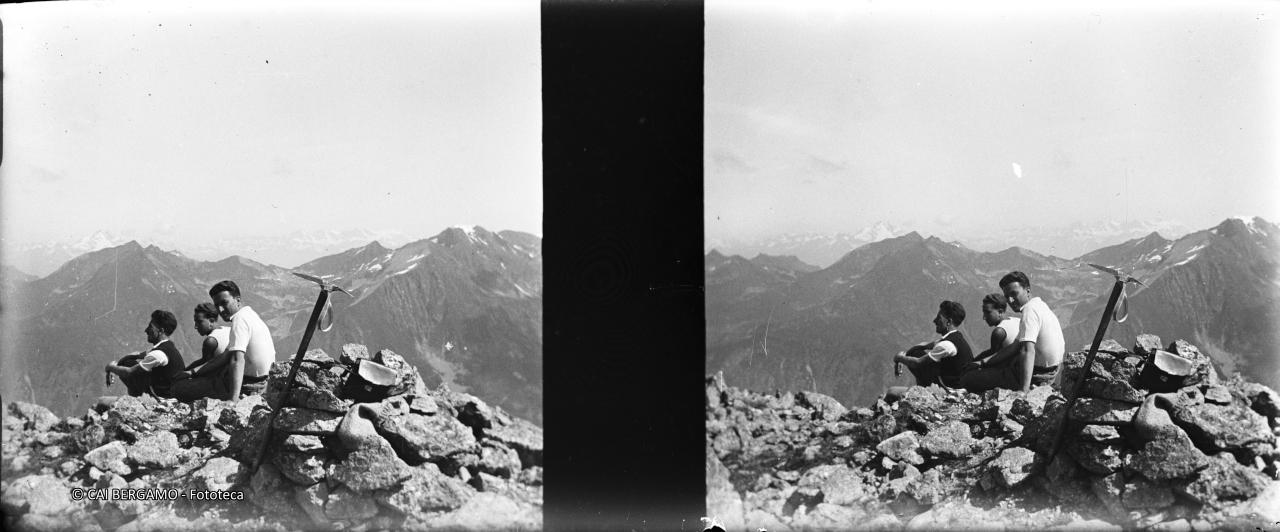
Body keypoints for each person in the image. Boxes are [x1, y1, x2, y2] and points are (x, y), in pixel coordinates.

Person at [960, 271, 1065, 392]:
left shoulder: (1029, 312)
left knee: (969, 378)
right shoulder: (1040, 306)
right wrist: (982, 362)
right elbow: (1015, 346)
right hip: (1051, 371)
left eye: (1014, 294)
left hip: (1038, 375)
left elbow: (1027, 350)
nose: (1010, 300)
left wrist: (1023, 390)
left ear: (1028, 291)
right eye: (1007, 296)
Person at [173, 280, 275, 401]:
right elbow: (226, 355)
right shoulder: (250, 315)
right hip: (265, 382)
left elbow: (237, 360)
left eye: (224, 303)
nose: (220, 310)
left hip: (250, 385)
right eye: (217, 305)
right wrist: (192, 372)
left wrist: (233, 400)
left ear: (237, 300)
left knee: (178, 388)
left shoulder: (239, 320)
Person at [891, 301, 974, 388]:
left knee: (892, 392)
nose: (934, 321)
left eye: (939, 318)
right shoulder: (955, 337)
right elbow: (924, 345)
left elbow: (918, 363)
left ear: (948, 322)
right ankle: (922, 387)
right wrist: (905, 355)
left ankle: (922, 389)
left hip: (951, 389)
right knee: (915, 352)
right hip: (956, 382)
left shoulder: (946, 345)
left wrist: (899, 358)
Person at [105, 310, 186, 398]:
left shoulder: (158, 354)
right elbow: (136, 355)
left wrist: (110, 367)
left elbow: (129, 372)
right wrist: (117, 365)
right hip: (169, 393)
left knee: (102, 402)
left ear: (161, 331)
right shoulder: (167, 346)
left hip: (163, 399)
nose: (146, 330)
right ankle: (135, 398)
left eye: (150, 327)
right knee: (128, 362)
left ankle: (135, 399)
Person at [170, 303, 231, 401]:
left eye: (199, 322)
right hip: (231, 378)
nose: (195, 326)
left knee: (177, 387)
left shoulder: (211, 341)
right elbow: (206, 361)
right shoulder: (228, 329)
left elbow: (205, 366)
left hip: (222, 383)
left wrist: (185, 373)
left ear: (211, 321)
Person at [973, 292, 1020, 363]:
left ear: (1000, 312)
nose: (984, 317)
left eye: (988, 312)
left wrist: (973, 362)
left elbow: (993, 357)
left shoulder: (999, 332)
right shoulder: (1017, 320)